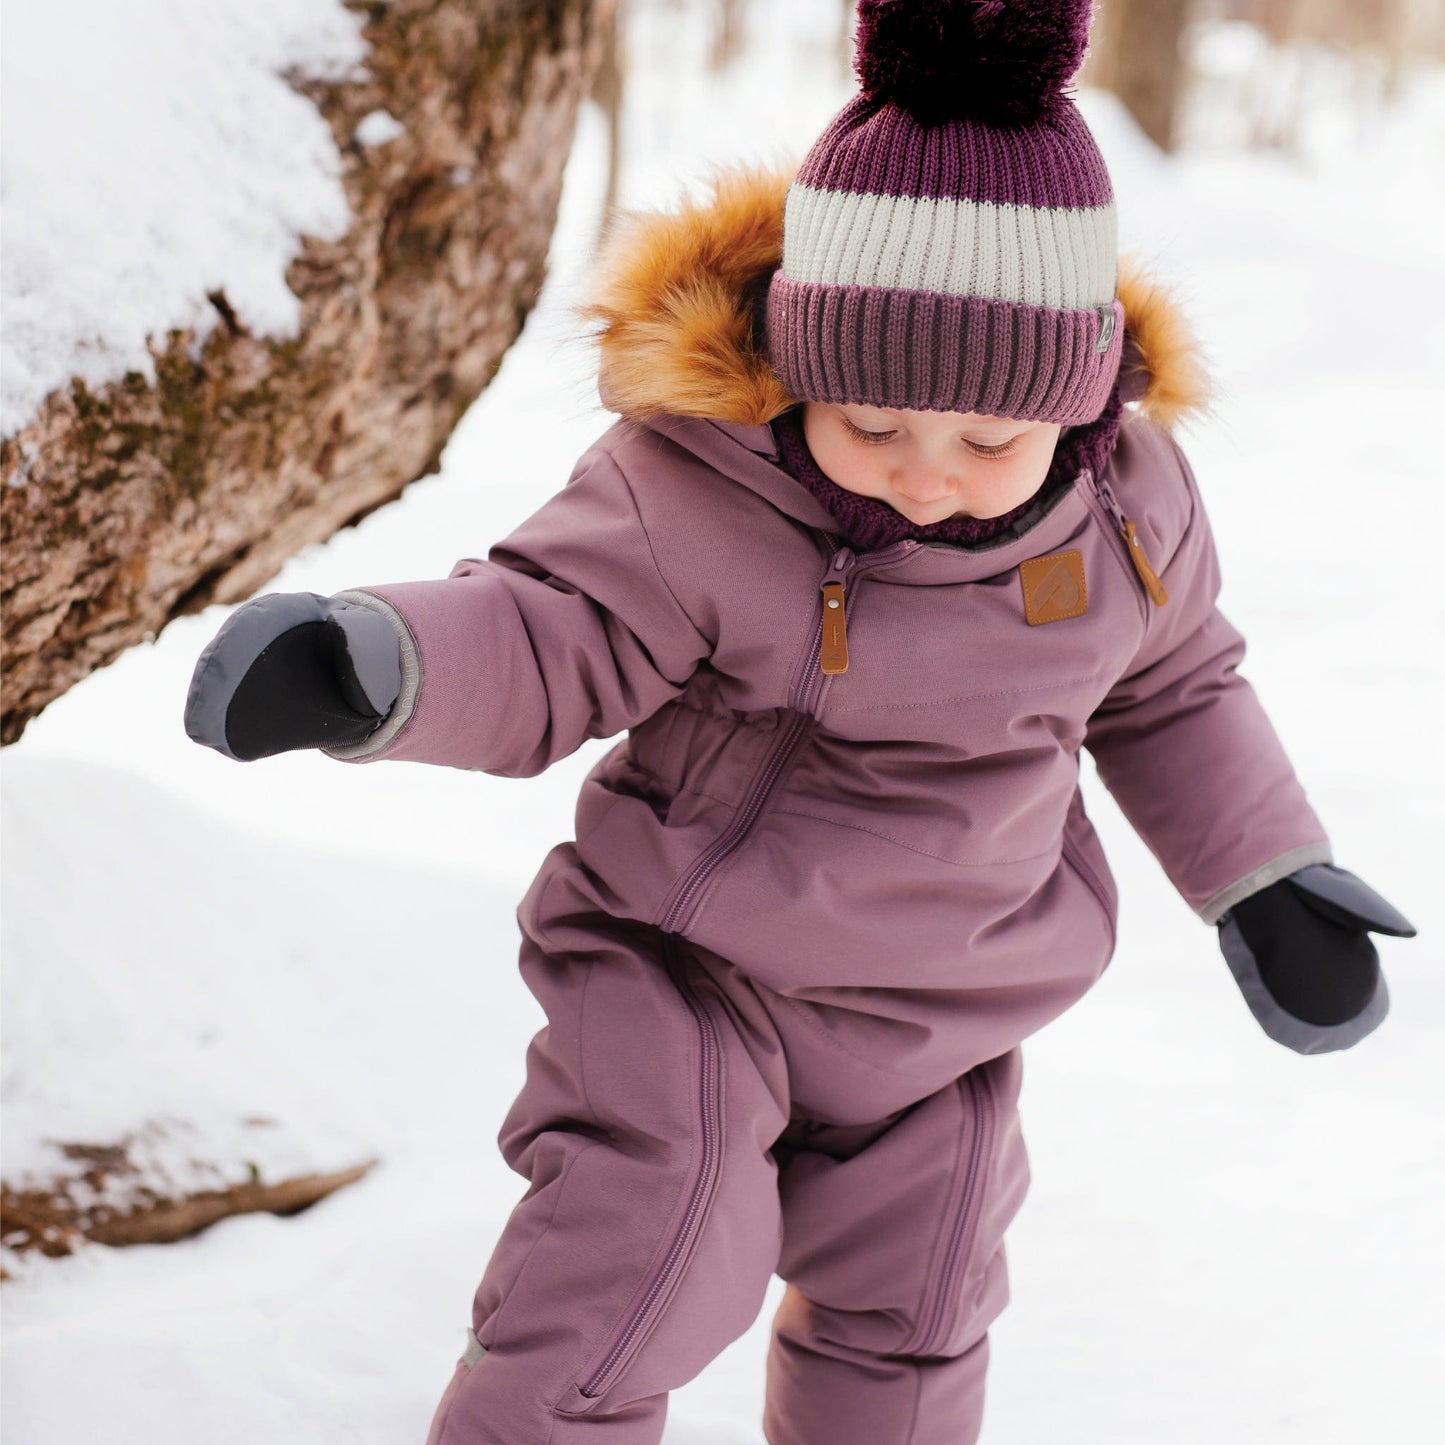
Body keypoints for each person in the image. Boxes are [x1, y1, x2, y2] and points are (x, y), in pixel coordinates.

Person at [184, 3, 1415, 1442]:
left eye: (986, 439)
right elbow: (549, 625)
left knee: (918, 1321)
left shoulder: (1132, 512)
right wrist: (375, 667)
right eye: (870, 424)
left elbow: (1175, 684)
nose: (925, 473)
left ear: (1080, 405)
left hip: (948, 1013)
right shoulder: (697, 490)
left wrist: (1265, 879)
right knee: (637, 1258)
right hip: (694, 969)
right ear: (794, 361)